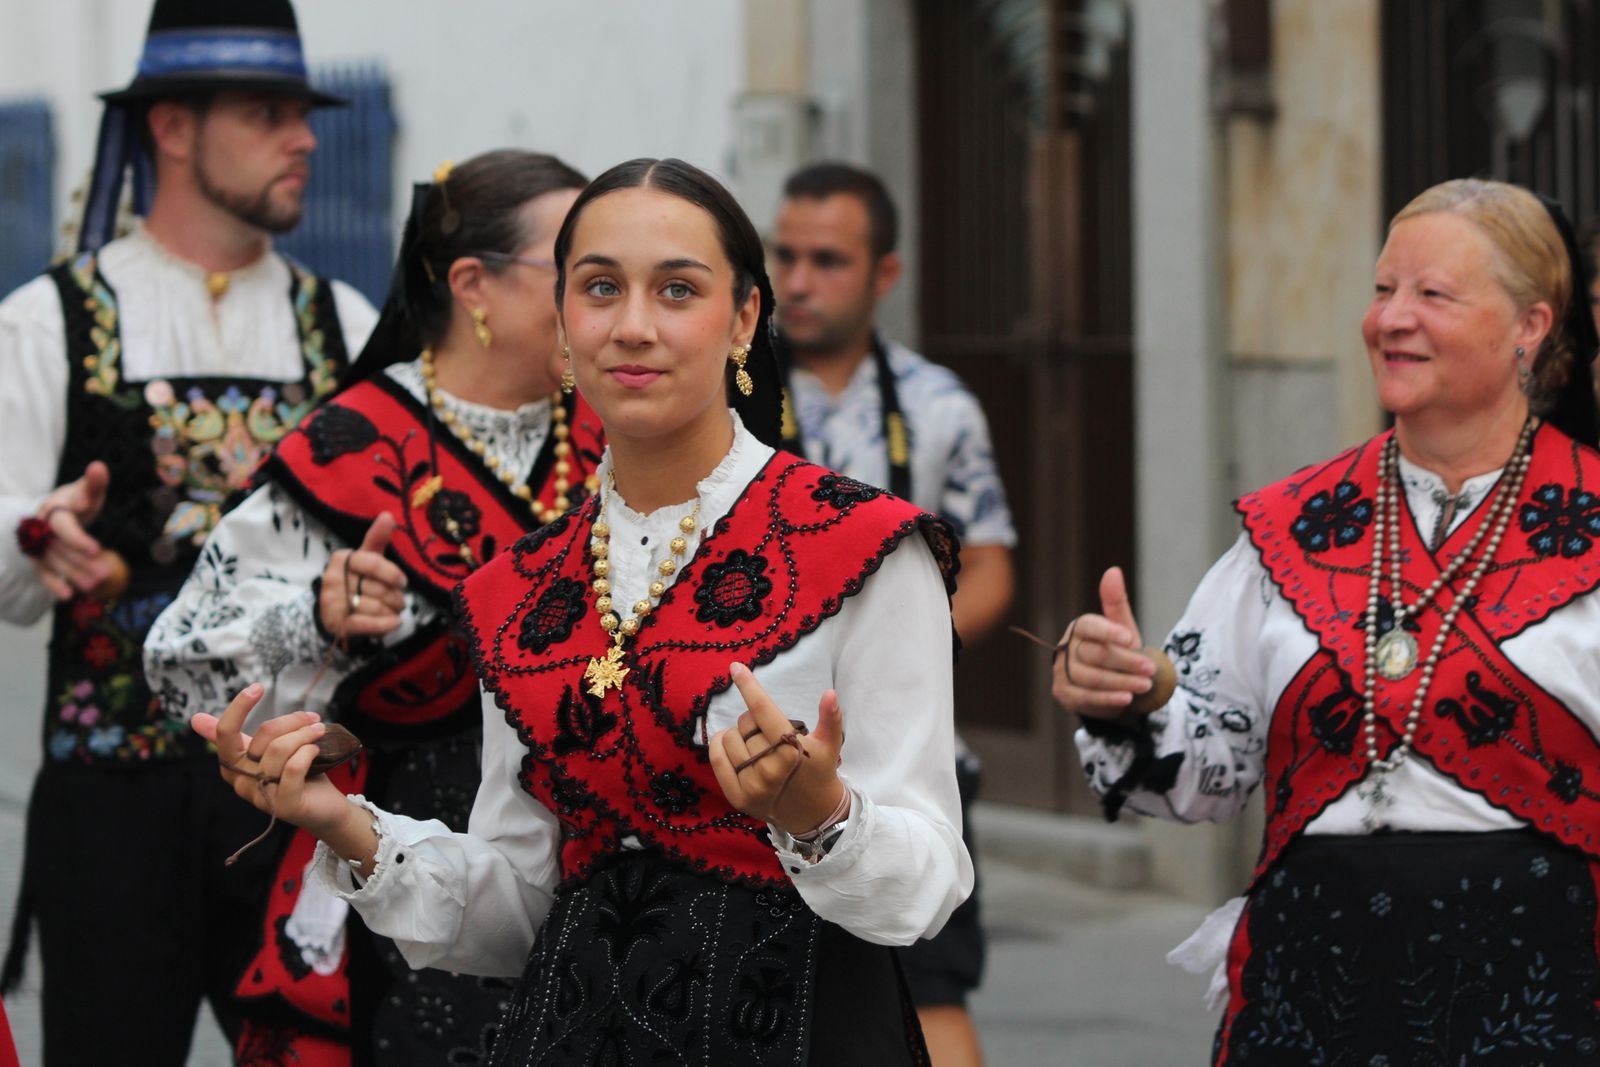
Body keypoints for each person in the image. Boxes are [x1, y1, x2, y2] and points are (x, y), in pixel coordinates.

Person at [193, 156, 973, 1065]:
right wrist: (346, 823)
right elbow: (521, 904)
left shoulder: (864, 546)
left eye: (678, 290)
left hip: (803, 1034)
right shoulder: (516, 589)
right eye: (600, 288)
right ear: (562, 325)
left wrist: (819, 812)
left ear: (744, 317)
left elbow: (926, 886)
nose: (633, 327)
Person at [1053, 178, 1600, 1064]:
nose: (1391, 318)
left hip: (1544, 995)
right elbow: (1208, 772)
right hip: (1315, 996)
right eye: (1384, 290)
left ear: (1529, 327)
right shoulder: (1297, 525)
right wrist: (1135, 694)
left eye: (1433, 294)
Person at [144, 150, 597, 1064]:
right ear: (473, 284)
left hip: (603, 864)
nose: (609, 306)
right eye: (584, 272)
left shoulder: (614, 429)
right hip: (409, 867)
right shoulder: (356, 442)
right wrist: (317, 612)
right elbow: (178, 658)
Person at [0, 1, 377, 1063]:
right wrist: (34, 530)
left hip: (300, 786)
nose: (302, 138)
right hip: (112, 795)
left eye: (300, 114)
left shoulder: (341, 324)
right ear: (171, 127)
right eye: (267, 114)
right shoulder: (50, 321)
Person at [772, 161, 1015, 1067]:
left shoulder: (940, 405)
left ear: (885, 274)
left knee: (930, 985)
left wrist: (902, 642)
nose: (798, 281)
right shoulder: (732, 400)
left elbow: (990, 562)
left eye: (827, 260)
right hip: (763, 753)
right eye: (785, 256)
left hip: (913, 754)